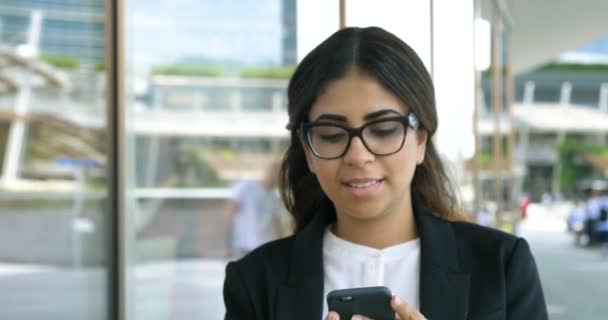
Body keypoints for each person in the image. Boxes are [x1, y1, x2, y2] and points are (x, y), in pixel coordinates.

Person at [223, 26, 548, 320]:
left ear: (421, 139)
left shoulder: (502, 265)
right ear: (307, 150)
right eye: (332, 135)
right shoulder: (254, 281)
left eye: (383, 129)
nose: (358, 155)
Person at [223, 160, 286, 258]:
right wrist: (226, 244)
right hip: (246, 246)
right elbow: (229, 213)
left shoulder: (273, 197)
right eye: (276, 172)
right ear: (269, 171)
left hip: (267, 248)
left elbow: (277, 224)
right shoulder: (246, 186)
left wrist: (282, 248)